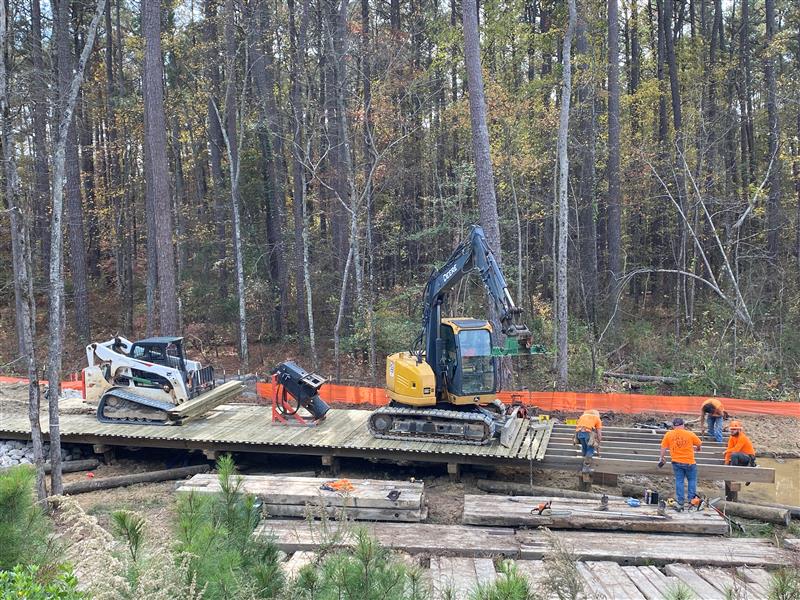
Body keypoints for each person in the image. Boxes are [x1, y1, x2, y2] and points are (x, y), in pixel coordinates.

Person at [658, 417, 703, 511]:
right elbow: (699, 443)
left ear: (673, 426)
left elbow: (663, 447)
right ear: (683, 425)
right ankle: (691, 501)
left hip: (676, 462)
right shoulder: (689, 434)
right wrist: (698, 448)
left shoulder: (669, 434)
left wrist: (661, 458)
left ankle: (680, 502)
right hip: (690, 463)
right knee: (692, 481)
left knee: (679, 481)